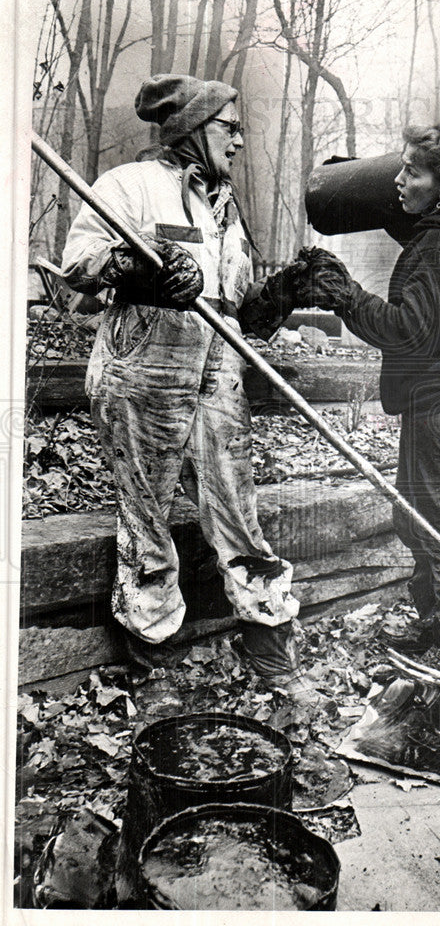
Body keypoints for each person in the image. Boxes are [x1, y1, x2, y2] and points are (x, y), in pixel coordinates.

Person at [61, 74, 313, 698]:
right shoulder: (130, 186)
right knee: (146, 516)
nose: (241, 141)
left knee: (237, 507)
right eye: (231, 129)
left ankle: (268, 643)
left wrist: (281, 294)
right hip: (144, 369)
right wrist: (135, 268)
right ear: (195, 128)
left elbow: (237, 310)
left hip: (217, 377)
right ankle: (150, 655)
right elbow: (78, 270)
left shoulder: (228, 208)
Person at [298, 122, 440, 672]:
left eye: (410, 172)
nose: (398, 180)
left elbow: (406, 329)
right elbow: (419, 239)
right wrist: (354, 183)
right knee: (417, 519)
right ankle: (435, 625)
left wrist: (346, 296)